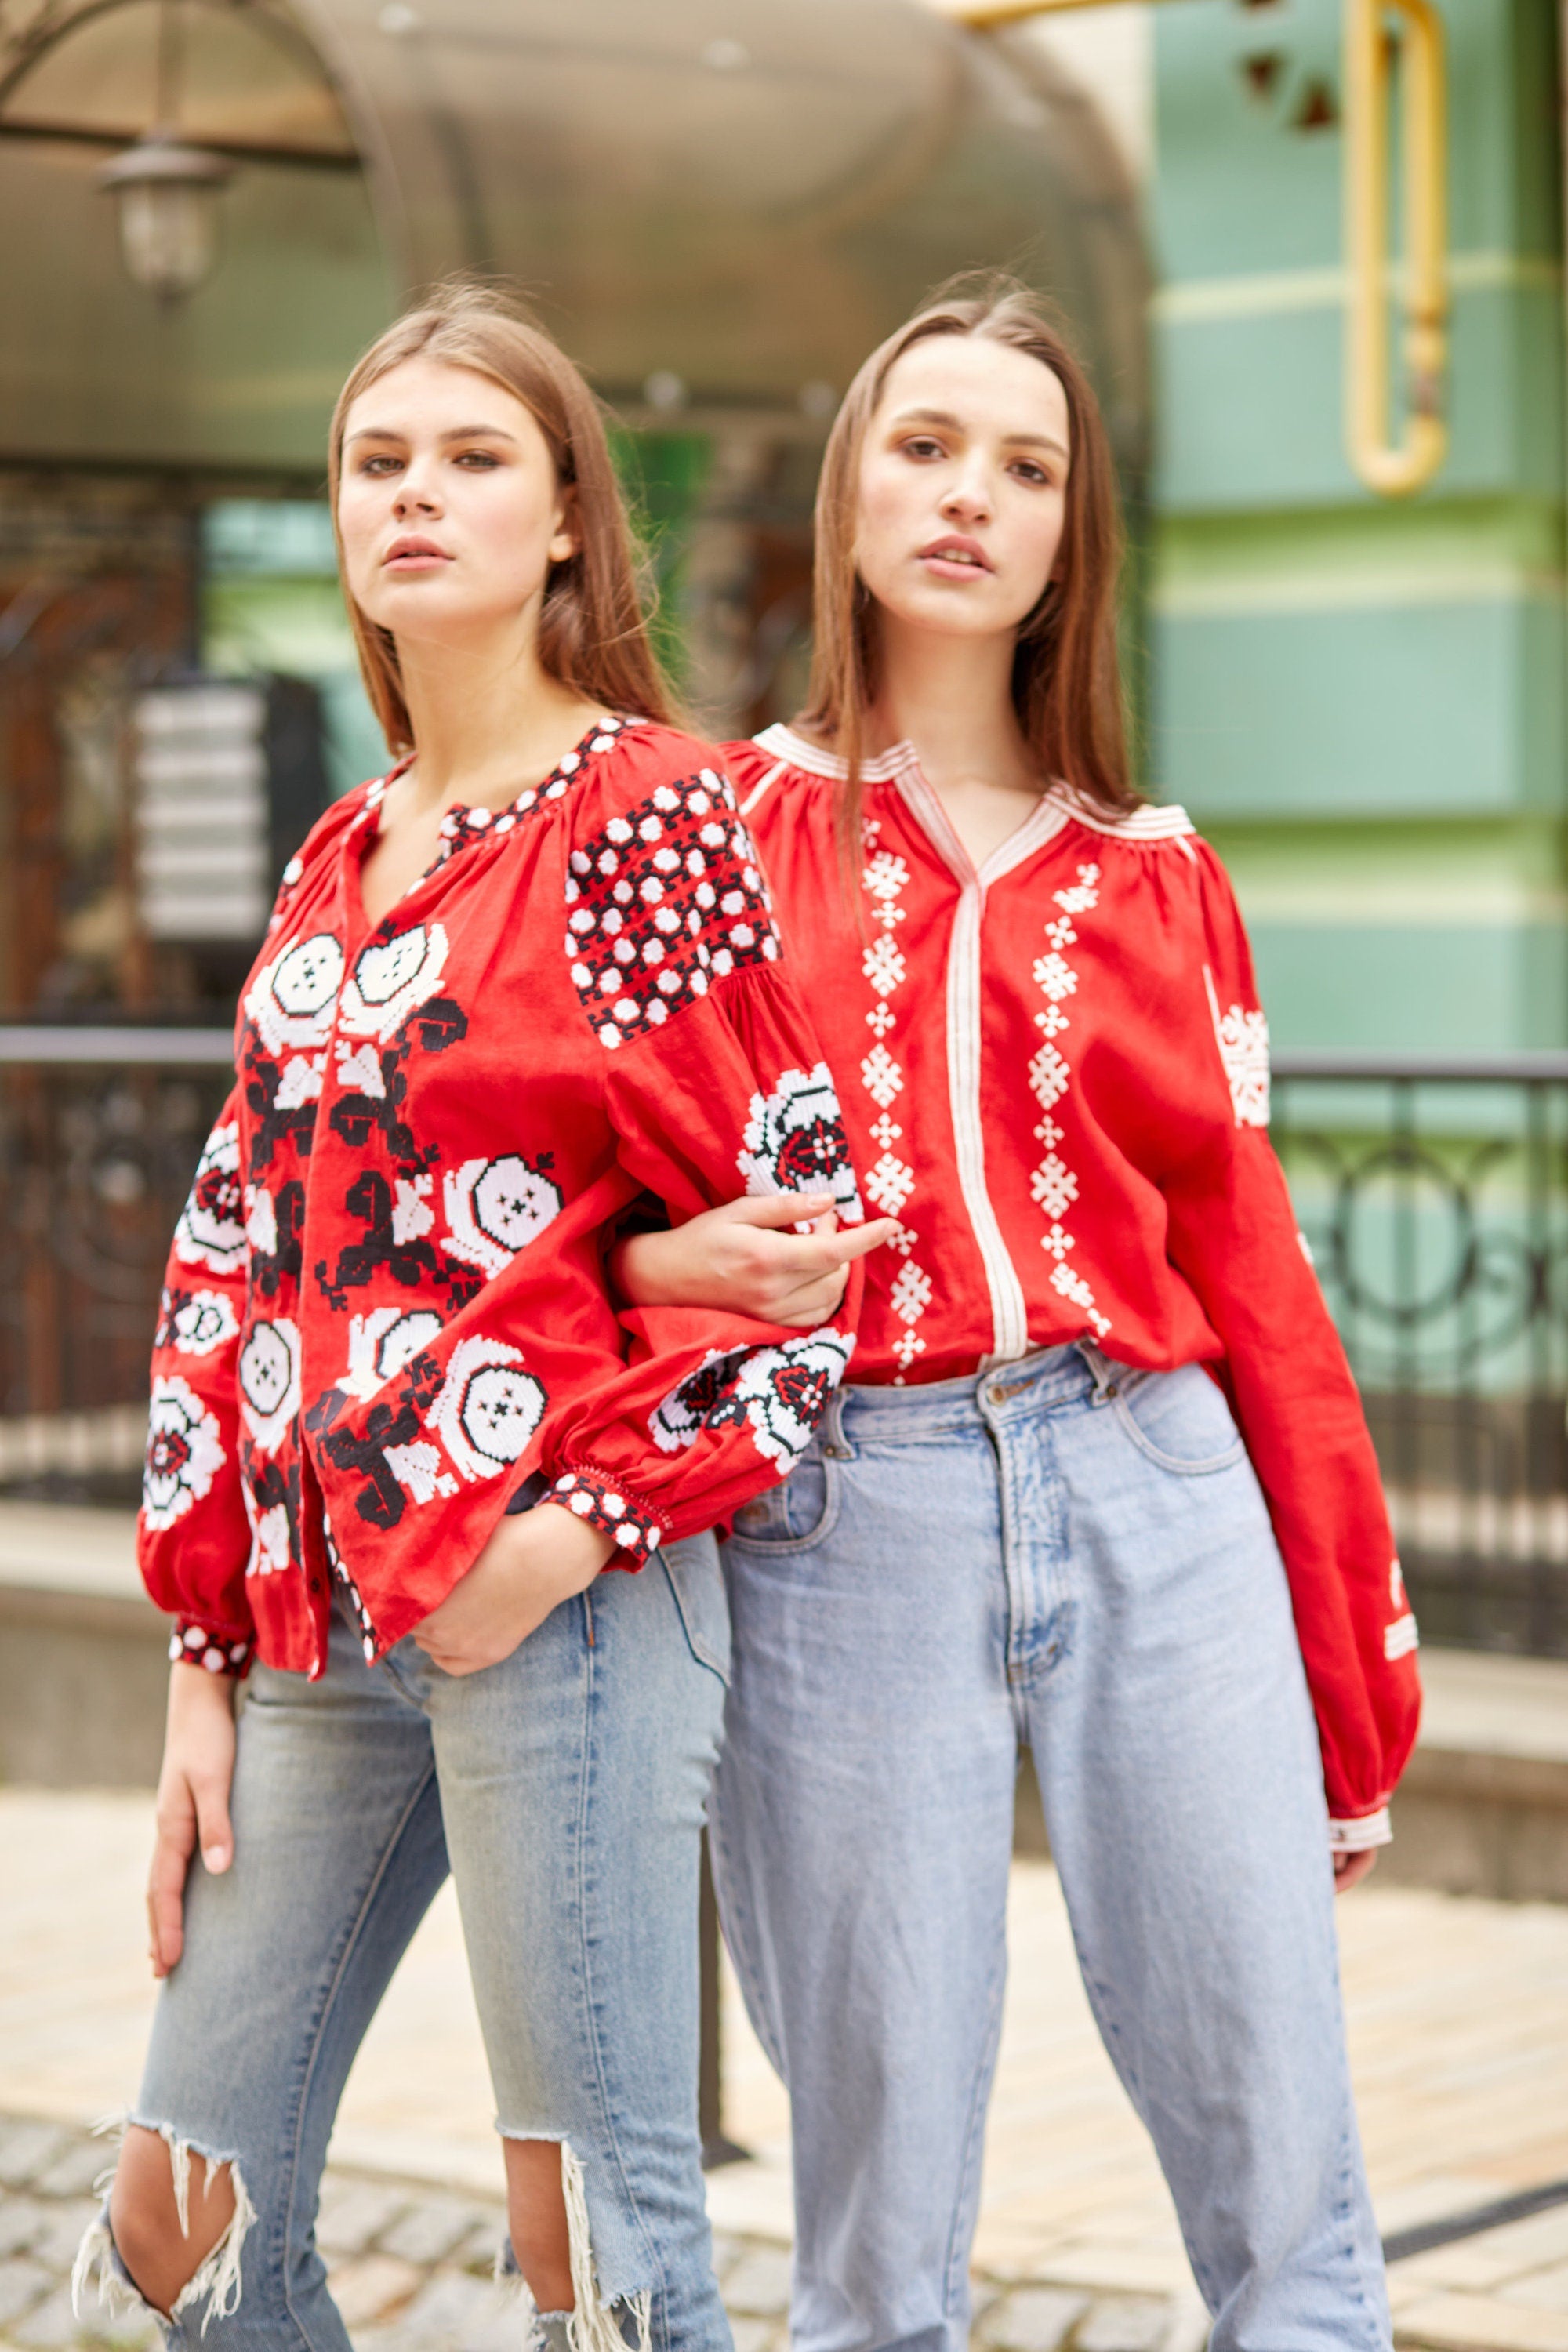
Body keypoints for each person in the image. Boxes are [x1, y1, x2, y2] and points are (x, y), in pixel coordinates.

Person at [613, 279, 1422, 2352]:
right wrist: (656, 1271)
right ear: (849, 491)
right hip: (842, 1513)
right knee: (878, 2219)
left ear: (1076, 535)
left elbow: (1254, 1272)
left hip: (1157, 1480)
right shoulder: (711, 843)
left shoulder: (1161, 878)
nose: (971, 494)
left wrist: (1351, 1667)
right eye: (927, 444)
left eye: (1027, 466)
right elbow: (587, 1215)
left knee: (1286, 2172)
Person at [74, 281, 884, 2352]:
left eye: (471, 458)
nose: (414, 495)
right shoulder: (337, 854)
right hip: (317, 1622)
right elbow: (248, 1252)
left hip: (562, 1604)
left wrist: (567, 1538)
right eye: (378, 462)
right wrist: (201, 1650)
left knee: (580, 2238)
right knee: (180, 2213)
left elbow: (803, 1256)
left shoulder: (646, 819)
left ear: (567, 524)